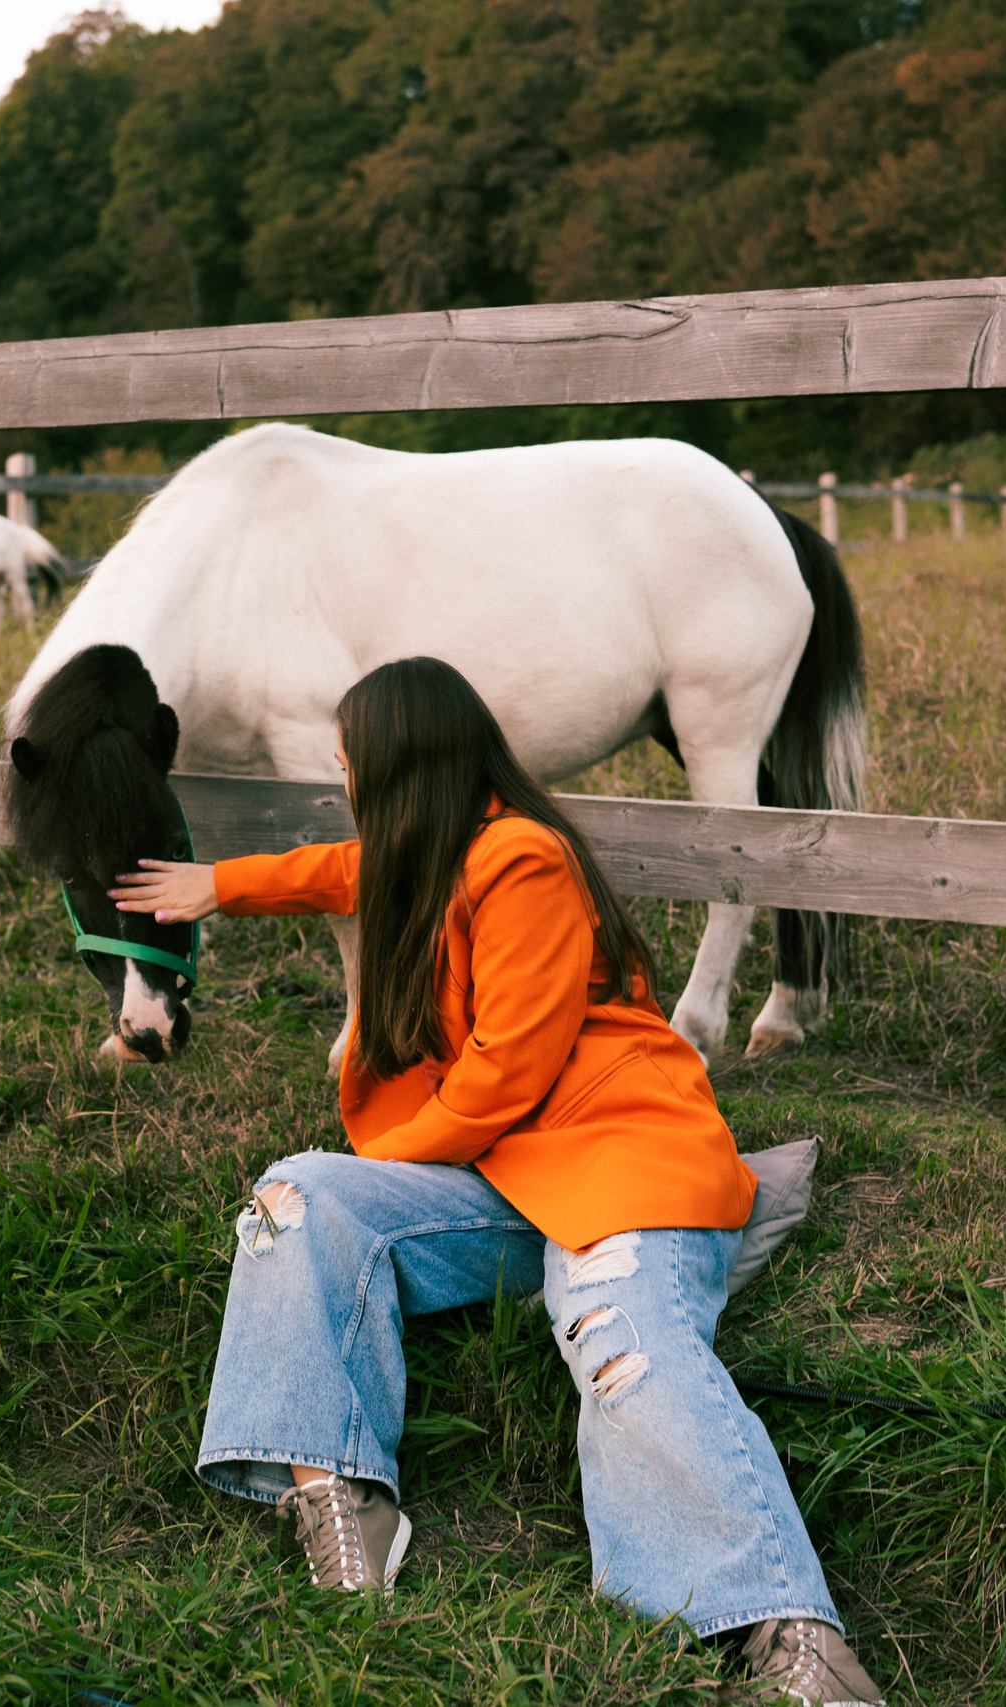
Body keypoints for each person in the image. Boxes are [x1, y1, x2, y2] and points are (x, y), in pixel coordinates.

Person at [110, 657, 889, 1707]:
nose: (345, 781)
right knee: (295, 1199)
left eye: (352, 762)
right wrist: (222, 885)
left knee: (617, 1334)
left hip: (619, 1160)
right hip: (511, 1175)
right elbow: (340, 869)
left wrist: (381, 1162)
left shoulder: (521, 859)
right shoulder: (430, 851)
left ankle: (788, 1636)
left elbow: (496, 1081)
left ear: (402, 764)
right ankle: (334, 1491)